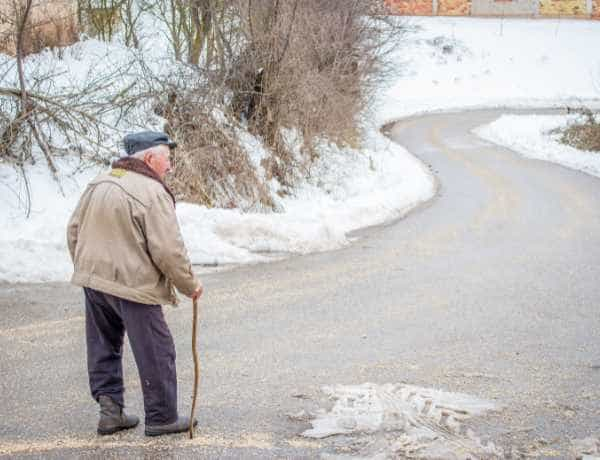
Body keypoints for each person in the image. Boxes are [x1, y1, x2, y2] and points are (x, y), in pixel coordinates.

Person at [67, 131, 203, 437]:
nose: (170, 167)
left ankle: (110, 412)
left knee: (104, 346)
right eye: (168, 159)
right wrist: (189, 284)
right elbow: (168, 250)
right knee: (157, 349)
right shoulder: (152, 192)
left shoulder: (99, 182)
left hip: (94, 280)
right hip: (132, 284)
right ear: (150, 158)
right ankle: (162, 417)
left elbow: (73, 230)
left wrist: (87, 267)